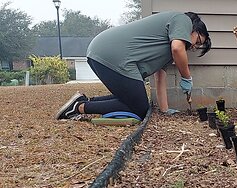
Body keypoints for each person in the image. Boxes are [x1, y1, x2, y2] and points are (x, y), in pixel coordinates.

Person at [55, 11, 211, 120]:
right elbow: (178, 48)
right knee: (140, 108)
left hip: (102, 53)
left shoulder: (166, 49)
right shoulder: (183, 19)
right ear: (194, 28)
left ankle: (86, 100)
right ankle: (79, 107)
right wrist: (186, 77)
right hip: (113, 54)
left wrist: (165, 110)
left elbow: (160, 77)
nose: (194, 47)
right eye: (198, 41)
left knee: (129, 98)